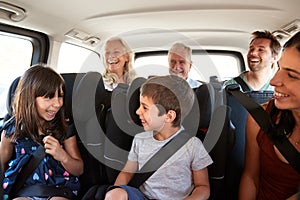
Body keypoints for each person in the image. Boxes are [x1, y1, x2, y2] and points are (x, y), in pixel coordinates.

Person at [104, 75, 213, 200]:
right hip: (143, 197)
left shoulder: (193, 145)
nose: (138, 112)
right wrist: (116, 190)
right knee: (115, 194)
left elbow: (203, 187)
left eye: (145, 107)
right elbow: (127, 172)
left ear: (169, 116)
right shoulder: (140, 140)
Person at [0, 65, 84, 200]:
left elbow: (79, 169)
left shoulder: (64, 127)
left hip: (58, 190)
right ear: (30, 98)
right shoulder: (12, 130)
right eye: (49, 97)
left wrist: (63, 156)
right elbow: (1, 166)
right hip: (24, 192)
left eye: (60, 96)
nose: (57, 104)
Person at [239, 31, 300, 200]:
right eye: (280, 68)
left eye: (292, 75)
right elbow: (251, 176)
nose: (274, 81)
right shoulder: (260, 118)